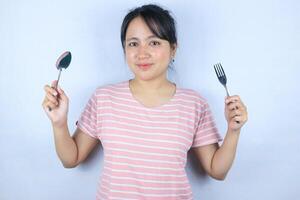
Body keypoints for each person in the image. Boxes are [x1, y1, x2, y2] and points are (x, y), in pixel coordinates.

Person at [42, 4, 248, 200]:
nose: (142, 53)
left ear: (173, 49)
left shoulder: (194, 103)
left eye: (154, 42)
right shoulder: (103, 98)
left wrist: (233, 130)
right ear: (124, 49)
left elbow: (217, 170)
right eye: (133, 43)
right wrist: (59, 124)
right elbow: (71, 159)